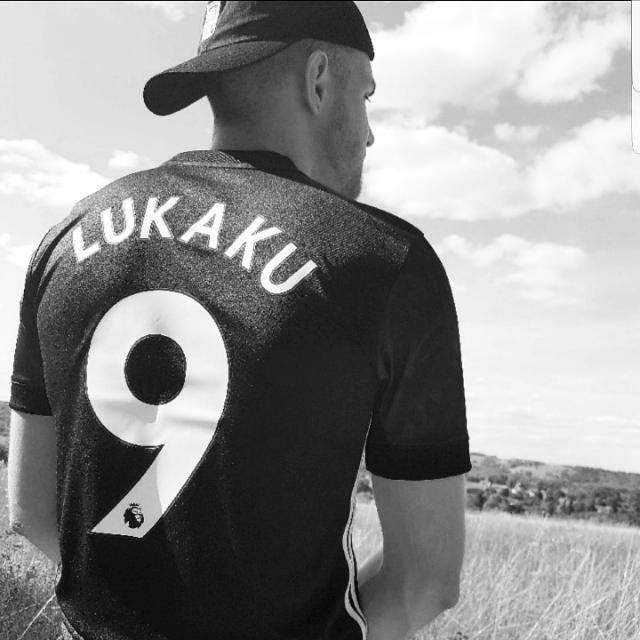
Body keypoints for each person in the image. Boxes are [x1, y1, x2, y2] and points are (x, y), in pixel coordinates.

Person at [7, 2, 470, 639]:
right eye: (366, 97)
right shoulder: (385, 263)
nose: (368, 134)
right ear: (318, 80)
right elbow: (427, 582)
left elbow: (31, 510)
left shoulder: (66, 237)